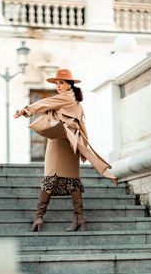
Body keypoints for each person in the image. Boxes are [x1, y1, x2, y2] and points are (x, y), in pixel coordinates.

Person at [14, 69, 117, 232]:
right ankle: (79, 218)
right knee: (72, 180)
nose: (58, 86)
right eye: (57, 83)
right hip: (72, 142)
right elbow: (82, 125)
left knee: (50, 177)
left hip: (59, 142)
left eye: (61, 82)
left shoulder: (64, 97)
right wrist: (82, 145)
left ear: (70, 85)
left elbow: (44, 103)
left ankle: (39, 217)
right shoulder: (76, 101)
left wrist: (25, 111)